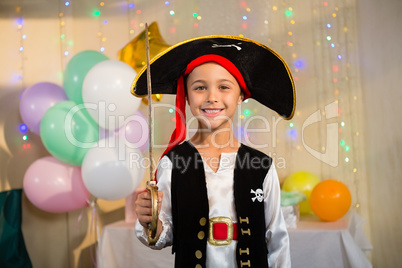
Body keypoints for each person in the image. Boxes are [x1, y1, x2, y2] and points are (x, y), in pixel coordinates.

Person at [132, 35, 295, 268]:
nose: (212, 97)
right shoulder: (173, 163)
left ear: (241, 95)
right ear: (186, 96)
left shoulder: (261, 166)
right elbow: (164, 234)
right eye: (200, 87)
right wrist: (150, 221)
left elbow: (277, 239)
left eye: (224, 87)